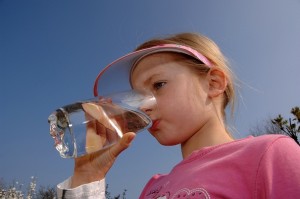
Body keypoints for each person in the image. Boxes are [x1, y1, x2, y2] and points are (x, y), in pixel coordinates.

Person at [56, 32, 300, 198]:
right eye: (137, 97)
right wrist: (87, 177)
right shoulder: (153, 187)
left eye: (158, 84)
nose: (143, 107)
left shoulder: (269, 155)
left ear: (213, 83)